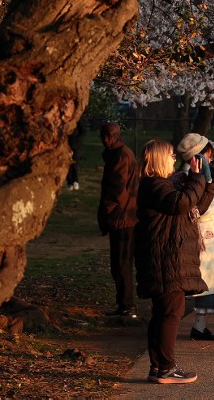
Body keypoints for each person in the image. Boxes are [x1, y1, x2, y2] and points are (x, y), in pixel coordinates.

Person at [135, 139, 212, 384]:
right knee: (170, 312)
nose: (173, 159)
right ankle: (165, 367)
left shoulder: (161, 185)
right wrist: (196, 177)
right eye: (169, 155)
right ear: (158, 159)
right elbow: (181, 203)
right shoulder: (154, 186)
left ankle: (158, 367)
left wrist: (206, 182)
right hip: (165, 259)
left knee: (165, 312)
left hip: (167, 258)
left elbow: (195, 204)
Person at [175, 133, 214, 341]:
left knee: (211, 283)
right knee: (207, 284)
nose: (211, 159)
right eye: (209, 154)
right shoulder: (192, 176)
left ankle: (200, 326)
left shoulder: (199, 174)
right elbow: (196, 207)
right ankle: (200, 326)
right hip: (205, 235)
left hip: (212, 234)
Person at [97, 123, 139, 318]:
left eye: (108, 136)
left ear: (115, 136)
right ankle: (124, 304)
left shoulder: (121, 155)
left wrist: (106, 211)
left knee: (121, 263)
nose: (105, 140)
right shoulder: (120, 154)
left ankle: (127, 306)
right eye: (104, 136)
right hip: (123, 216)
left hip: (123, 218)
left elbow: (117, 189)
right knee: (120, 263)